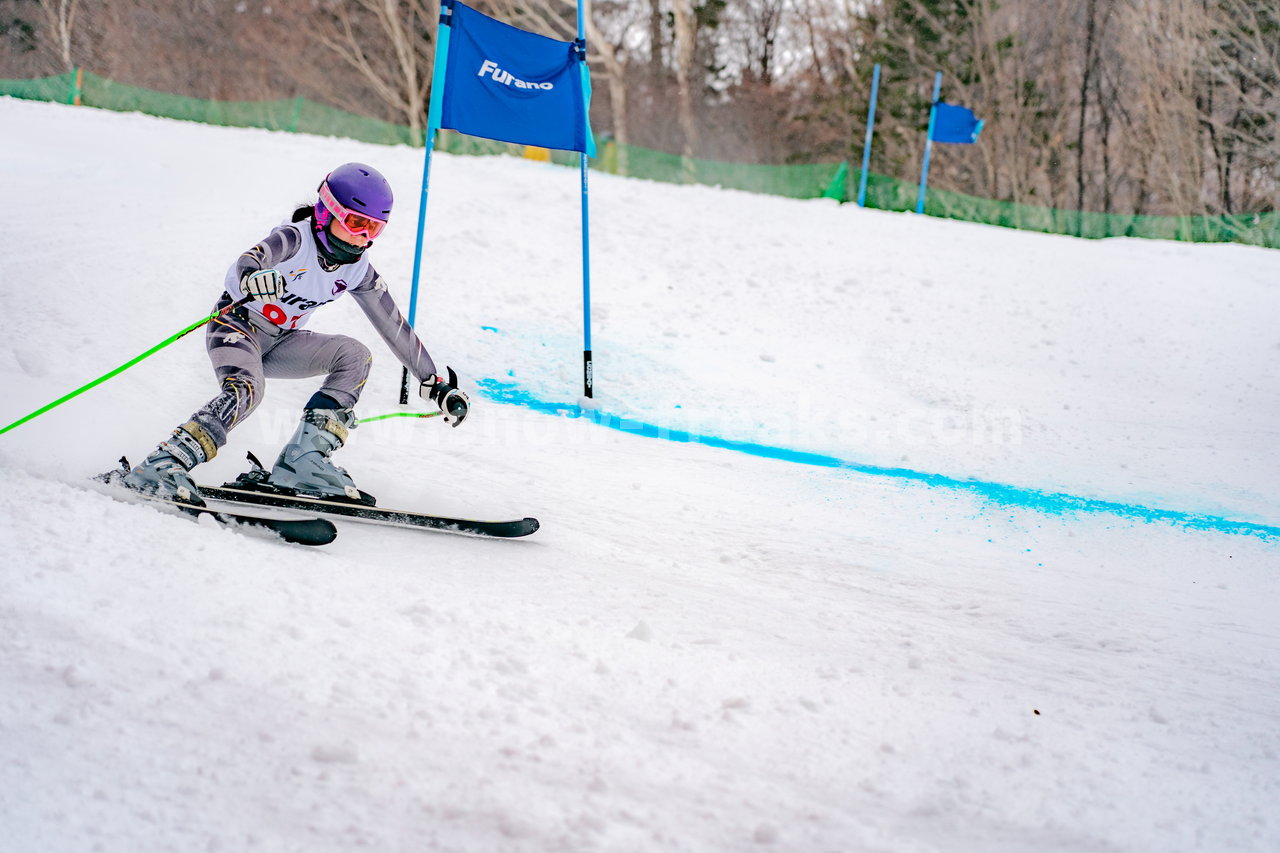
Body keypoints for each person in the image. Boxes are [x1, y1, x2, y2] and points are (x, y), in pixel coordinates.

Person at [114, 162, 468, 505]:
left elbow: (393, 324)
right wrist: (253, 279)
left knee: (355, 356)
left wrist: (434, 382)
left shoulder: (358, 269)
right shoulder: (295, 239)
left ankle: (303, 462)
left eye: (374, 229)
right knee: (248, 390)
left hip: (283, 341)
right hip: (237, 327)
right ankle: (163, 464)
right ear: (328, 212)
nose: (364, 237)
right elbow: (246, 263)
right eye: (357, 223)